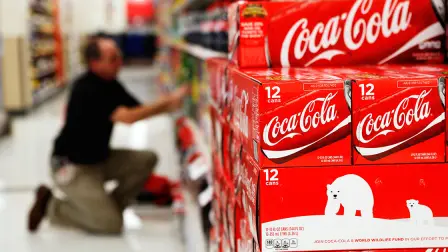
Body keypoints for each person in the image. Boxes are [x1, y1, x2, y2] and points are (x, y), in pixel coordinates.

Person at [27, 37, 188, 235]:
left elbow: (138, 109)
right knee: (111, 226)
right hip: (72, 167)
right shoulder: (87, 88)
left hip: (98, 159)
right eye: (113, 58)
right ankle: (51, 206)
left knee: (147, 159)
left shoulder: (111, 84)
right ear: (95, 63)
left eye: (119, 56)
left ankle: (106, 209)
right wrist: (168, 103)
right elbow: (128, 117)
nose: (119, 61)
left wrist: (166, 106)